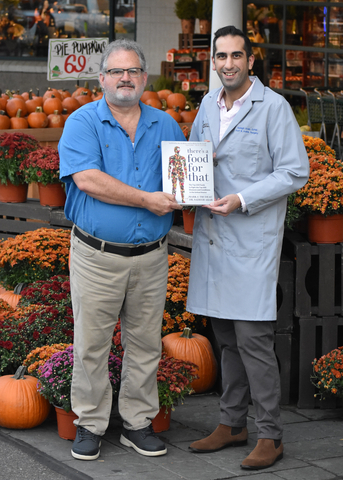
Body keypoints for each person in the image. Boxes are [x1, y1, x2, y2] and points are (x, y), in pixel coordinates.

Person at [186, 26, 309, 470]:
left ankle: (270, 435)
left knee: (253, 339)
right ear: (213, 61)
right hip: (214, 238)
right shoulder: (206, 103)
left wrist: (243, 198)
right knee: (224, 337)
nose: (229, 63)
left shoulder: (273, 107)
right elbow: (198, 154)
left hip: (250, 238)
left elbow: (296, 172)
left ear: (251, 61)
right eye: (221, 56)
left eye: (237, 55)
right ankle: (232, 423)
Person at [58, 38, 185, 461]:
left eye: (132, 71)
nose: (124, 78)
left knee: (145, 343)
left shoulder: (165, 124)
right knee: (92, 343)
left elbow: (181, 178)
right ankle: (90, 424)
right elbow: (88, 180)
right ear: (102, 79)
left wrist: (190, 191)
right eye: (116, 71)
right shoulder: (82, 121)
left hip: (151, 255)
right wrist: (147, 199)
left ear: (144, 78)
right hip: (98, 255)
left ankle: (137, 422)